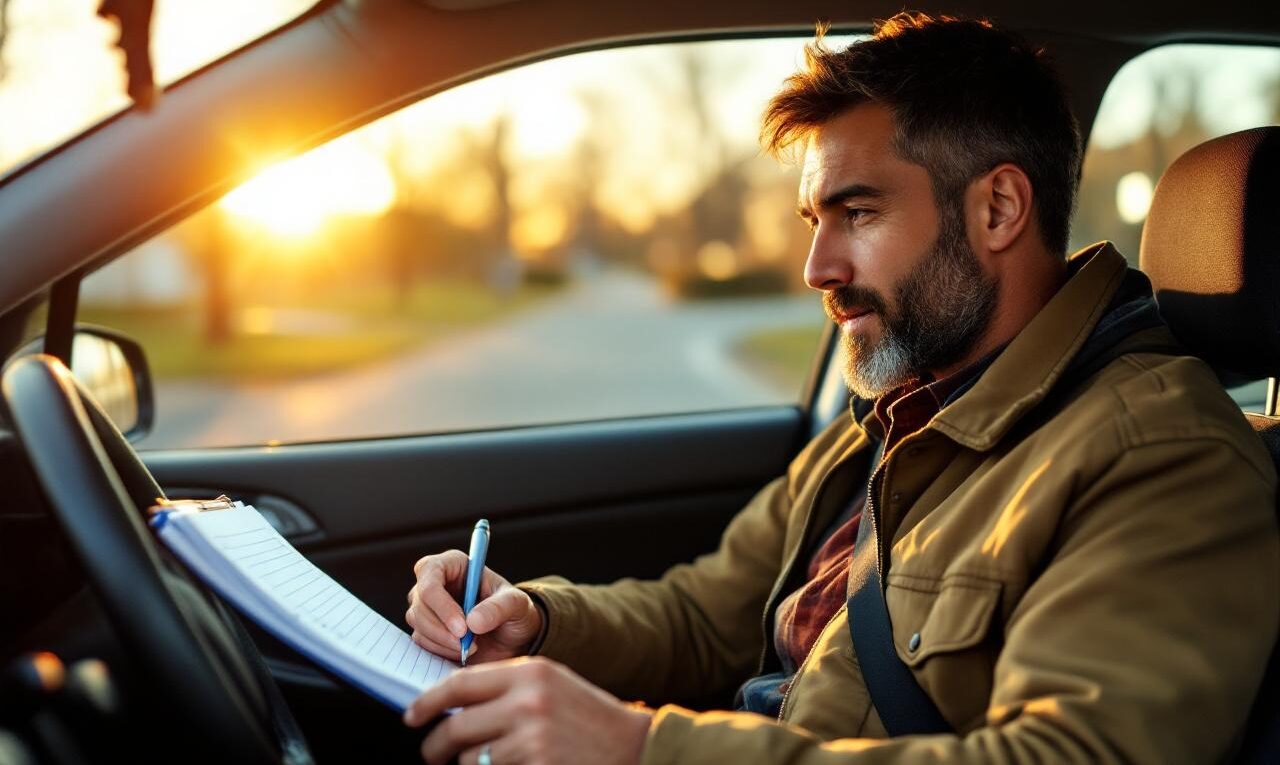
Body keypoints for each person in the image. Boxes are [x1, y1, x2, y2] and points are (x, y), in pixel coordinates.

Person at [401, 13, 1279, 765]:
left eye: (858, 214)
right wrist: (537, 619)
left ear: (999, 210)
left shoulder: (1161, 453)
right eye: (814, 221)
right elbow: (705, 614)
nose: (818, 267)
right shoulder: (891, 414)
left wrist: (642, 748)